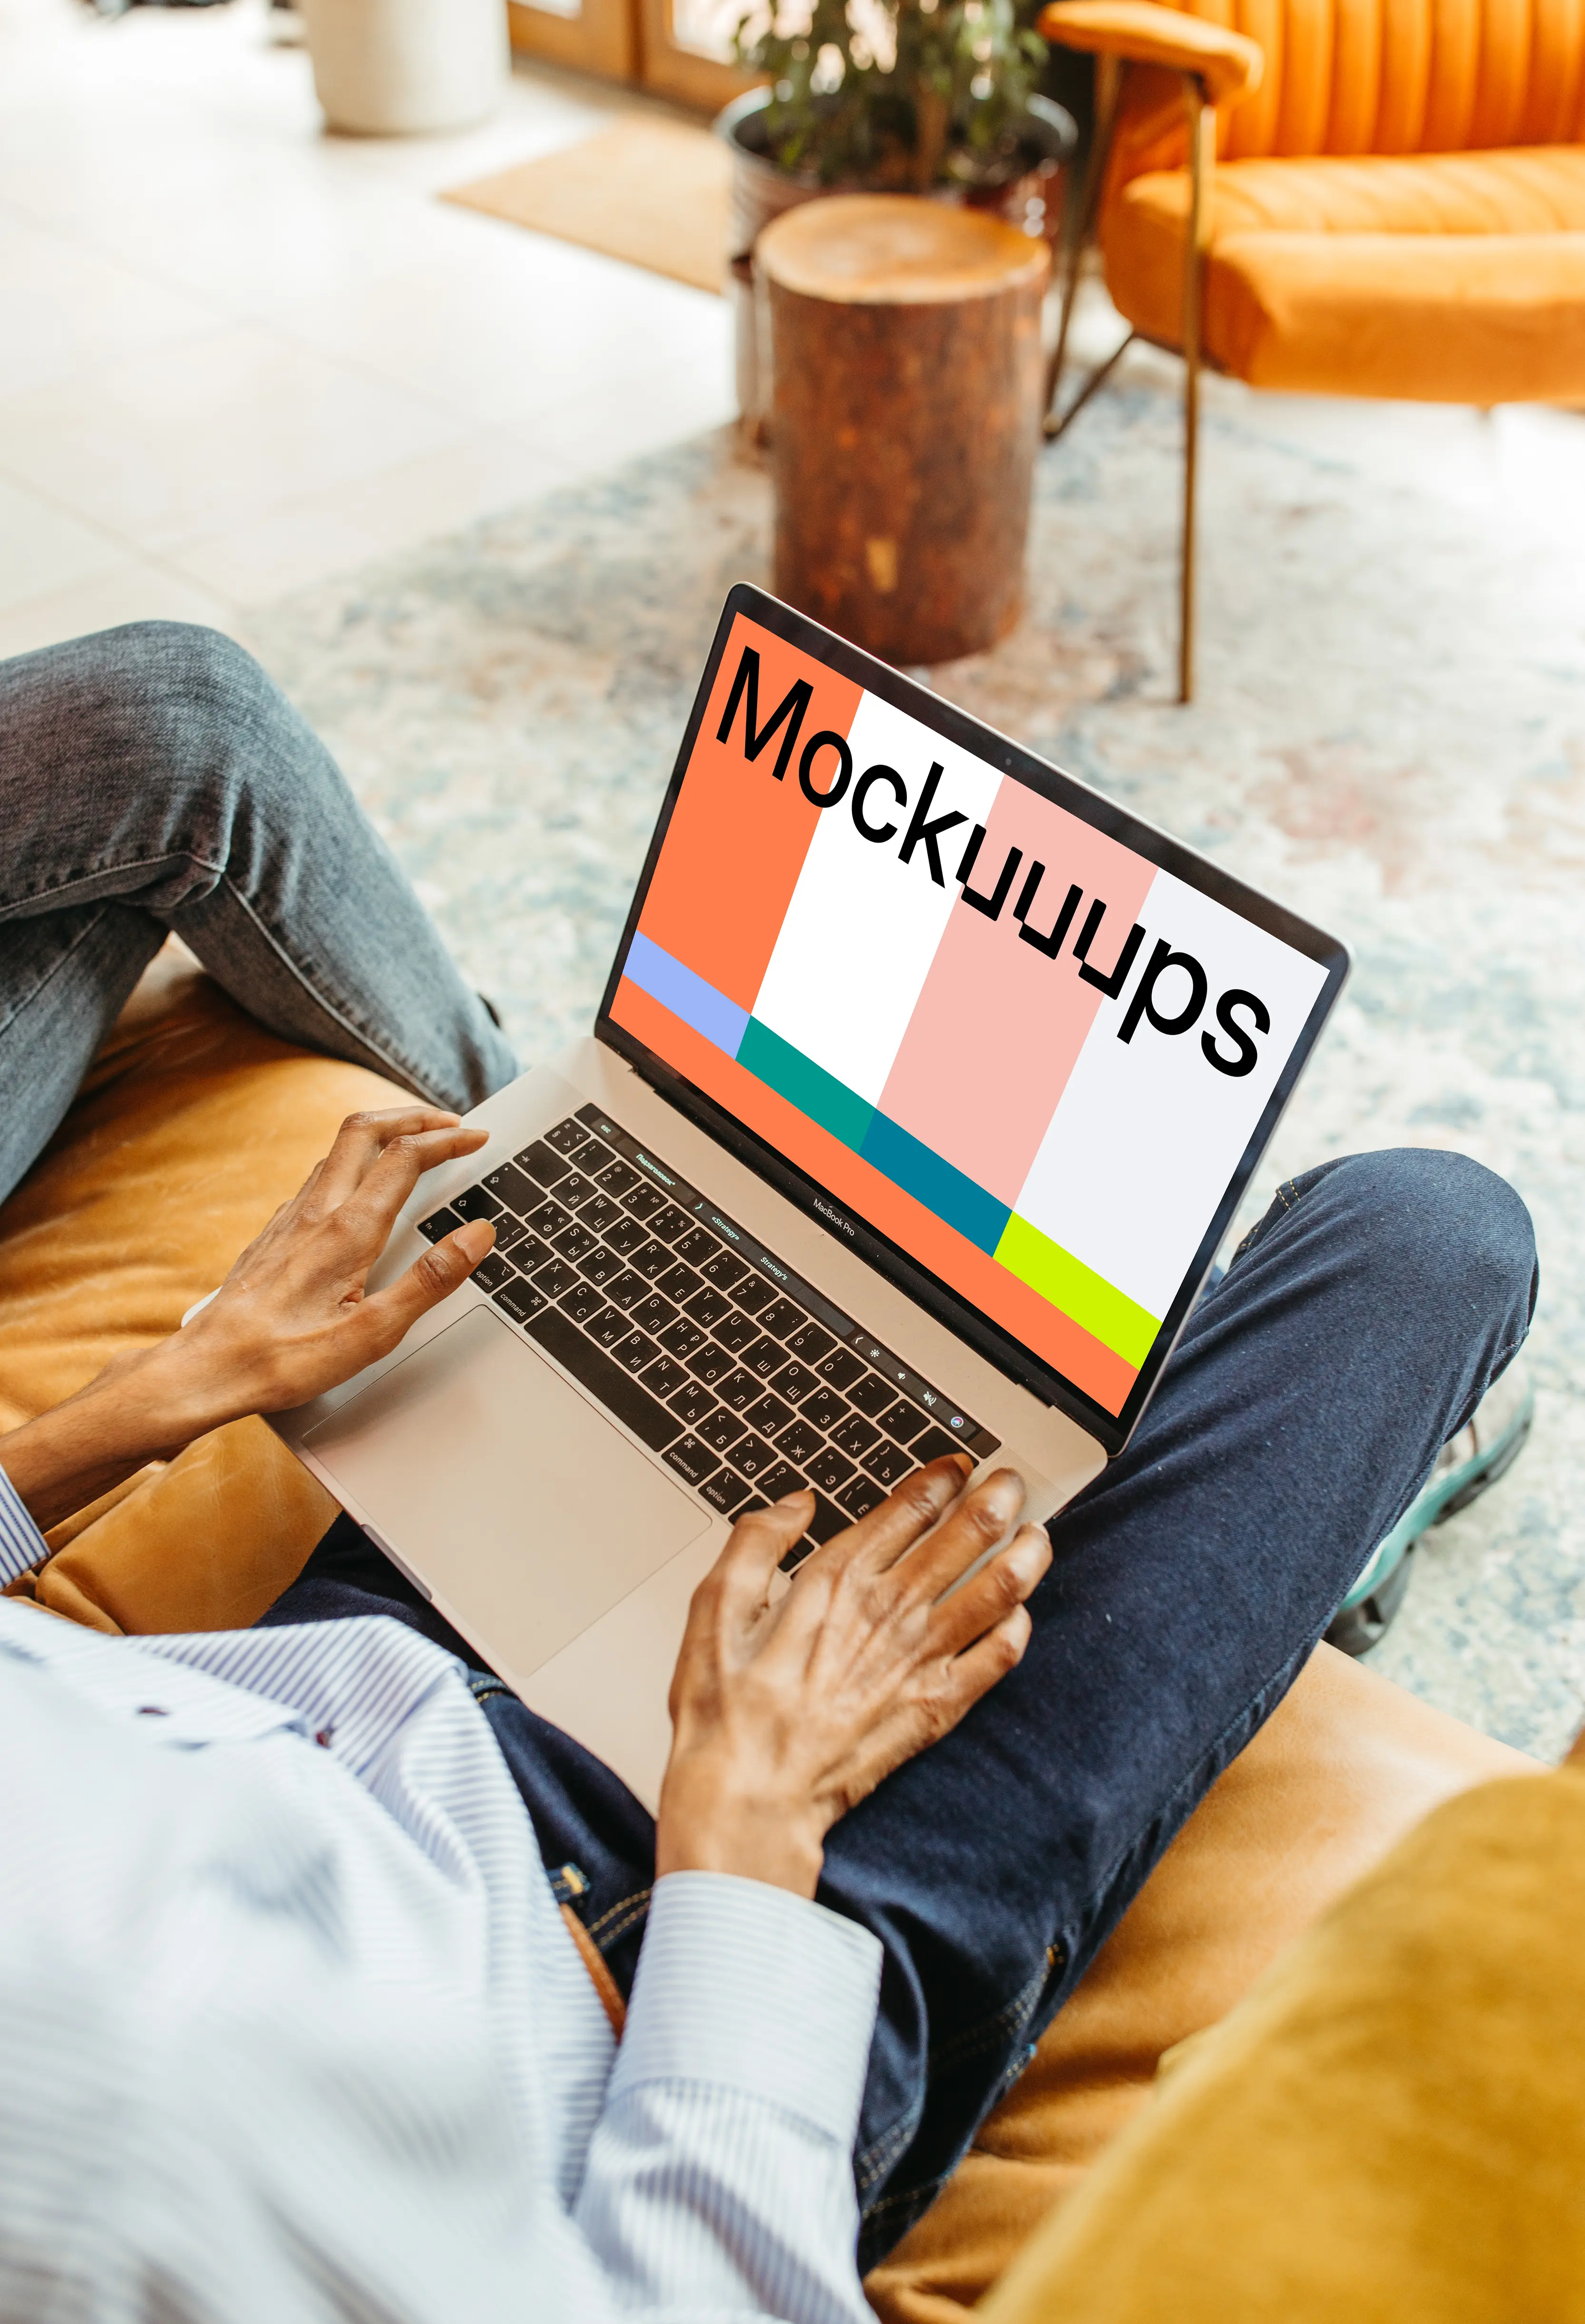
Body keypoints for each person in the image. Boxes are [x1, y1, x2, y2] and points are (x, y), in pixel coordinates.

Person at [0, 623, 1540, 2322]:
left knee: (774, 1220)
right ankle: (1311, 1572)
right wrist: (751, 1823)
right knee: (1431, 1234)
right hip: (669, 1952)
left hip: (354, 1663)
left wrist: (159, 1394)